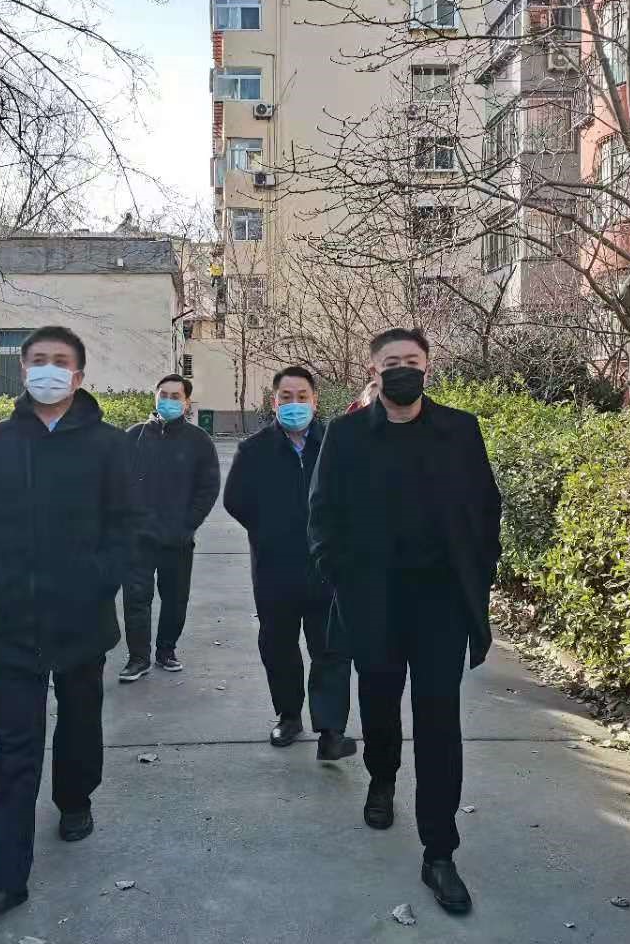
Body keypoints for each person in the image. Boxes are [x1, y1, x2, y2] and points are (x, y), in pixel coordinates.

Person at [0, 326, 141, 922]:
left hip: (82, 620)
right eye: (38, 360)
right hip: (12, 624)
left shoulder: (110, 447)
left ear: (78, 376)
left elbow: (127, 528)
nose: (48, 370)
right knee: (13, 745)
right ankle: (3, 878)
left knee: (80, 722)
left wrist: (97, 580)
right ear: (24, 370)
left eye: (60, 361)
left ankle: (76, 797)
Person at [308, 328, 502, 916]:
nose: (402, 370)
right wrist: (342, 580)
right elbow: (322, 515)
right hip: (373, 601)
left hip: (441, 603)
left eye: (411, 361)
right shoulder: (345, 435)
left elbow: (486, 508)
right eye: (390, 362)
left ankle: (439, 852)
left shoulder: (459, 430)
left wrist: (479, 574)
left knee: (440, 719)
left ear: (428, 367)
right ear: (372, 371)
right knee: (380, 701)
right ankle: (382, 776)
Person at [223, 366, 355, 761]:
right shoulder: (254, 450)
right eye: (286, 397)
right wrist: (270, 532)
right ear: (274, 401)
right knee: (278, 646)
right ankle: (289, 716)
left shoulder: (336, 445)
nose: (293, 404)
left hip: (325, 568)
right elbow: (235, 501)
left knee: (330, 650)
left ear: (315, 401)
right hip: (274, 570)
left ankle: (331, 730)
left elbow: (354, 498)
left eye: (301, 397)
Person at [120, 373, 221, 682]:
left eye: (175, 396)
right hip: (138, 538)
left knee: (175, 599)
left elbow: (208, 487)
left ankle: (166, 651)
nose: (168, 400)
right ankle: (138, 658)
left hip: (177, 539)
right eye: (163, 394)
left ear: (186, 402)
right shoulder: (134, 436)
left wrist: (188, 523)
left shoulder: (199, 441)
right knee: (136, 599)